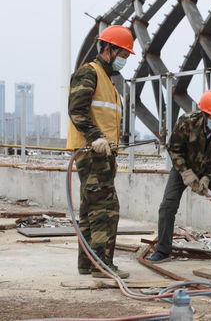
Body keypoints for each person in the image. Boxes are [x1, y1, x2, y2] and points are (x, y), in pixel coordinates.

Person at [148, 89, 211, 265]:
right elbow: (174, 149)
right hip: (183, 167)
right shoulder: (187, 122)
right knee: (168, 205)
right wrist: (186, 173)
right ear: (205, 113)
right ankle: (163, 250)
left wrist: (208, 178)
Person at [66, 25, 134, 278]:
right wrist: (95, 137)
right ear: (108, 49)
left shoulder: (108, 82)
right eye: (124, 55)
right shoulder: (89, 74)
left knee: (90, 209)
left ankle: (87, 263)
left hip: (103, 155)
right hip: (92, 153)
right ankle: (102, 265)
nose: (124, 60)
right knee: (106, 210)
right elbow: (77, 111)